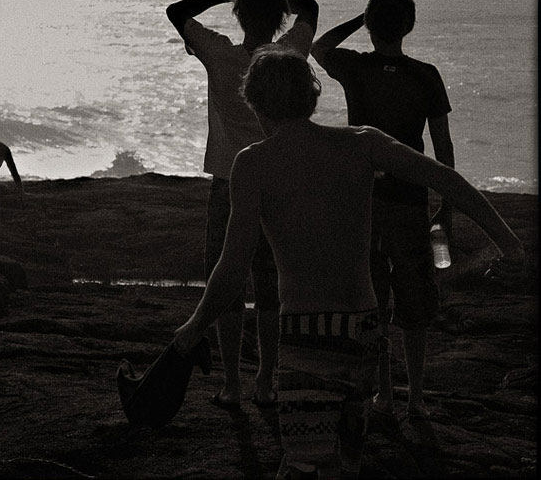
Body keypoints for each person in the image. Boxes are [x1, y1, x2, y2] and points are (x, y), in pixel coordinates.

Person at [171, 47, 524, 479]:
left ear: (256, 103)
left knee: (305, 462)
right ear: (311, 97)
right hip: (364, 330)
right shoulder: (361, 144)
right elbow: (446, 178)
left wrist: (191, 330)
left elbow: (231, 267)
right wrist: (509, 244)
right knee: (345, 461)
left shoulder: (254, 164)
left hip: (307, 334)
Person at [166, 0, 319, 408]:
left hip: (231, 184)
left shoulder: (219, 54)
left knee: (226, 284)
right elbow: (312, 8)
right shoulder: (290, 54)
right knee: (272, 288)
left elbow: (176, 12)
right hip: (281, 183)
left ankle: (232, 384)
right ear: (279, 18)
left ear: (238, 16)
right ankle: (266, 382)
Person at [310, 0, 455, 421]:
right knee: (415, 306)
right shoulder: (426, 74)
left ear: (372, 26)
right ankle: (416, 398)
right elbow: (442, 146)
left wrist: (361, 19)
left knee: (373, 302)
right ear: (409, 27)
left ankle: (385, 396)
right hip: (411, 200)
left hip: (365, 201)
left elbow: (319, 47)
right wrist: (447, 205)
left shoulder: (356, 67)